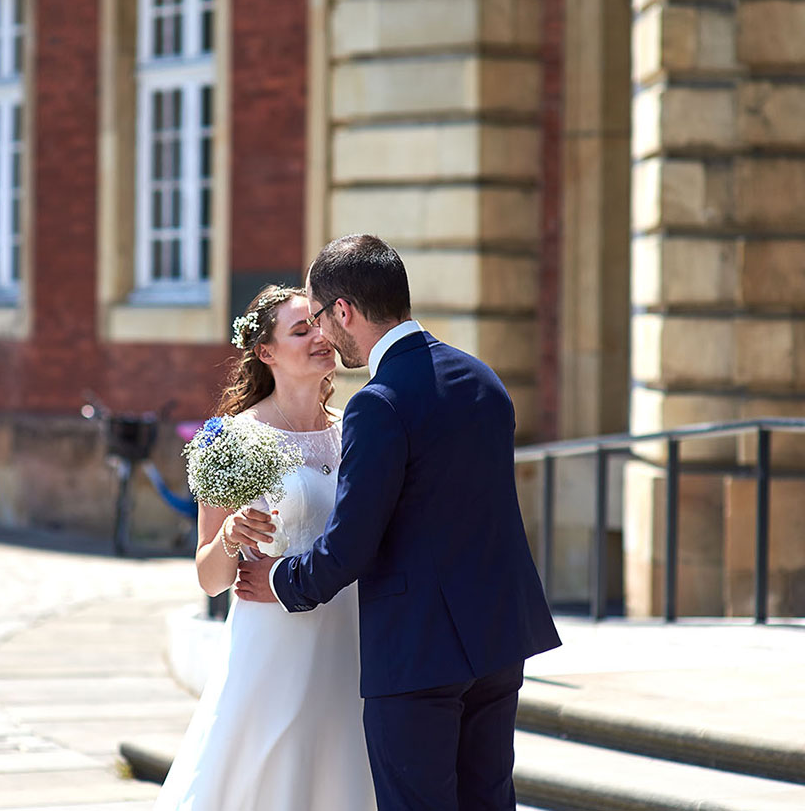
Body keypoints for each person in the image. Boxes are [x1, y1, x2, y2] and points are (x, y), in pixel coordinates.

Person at [236, 235, 562, 811]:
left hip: (417, 652)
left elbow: (352, 543)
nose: (322, 335)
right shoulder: (482, 378)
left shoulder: (377, 403)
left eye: (319, 316)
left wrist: (282, 581)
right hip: (498, 637)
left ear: (344, 311)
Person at [153, 284, 378, 811]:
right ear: (266, 353)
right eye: (301, 331)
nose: (320, 337)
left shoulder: (359, 429)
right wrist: (230, 535)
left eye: (320, 325)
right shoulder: (230, 439)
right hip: (274, 643)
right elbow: (209, 578)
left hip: (355, 635)